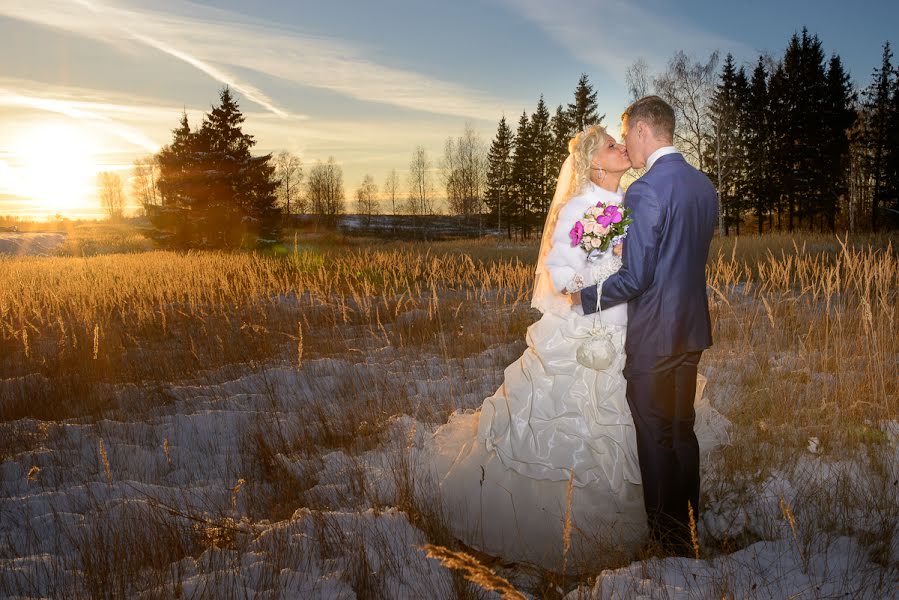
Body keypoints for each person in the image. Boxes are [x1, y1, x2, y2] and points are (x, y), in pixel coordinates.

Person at [423, 122, 728, 572]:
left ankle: (662, 523)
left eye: (622, 141)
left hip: (634, 329)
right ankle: (571, 523)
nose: (622, 148)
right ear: (592, 162)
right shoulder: (579, 209)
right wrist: (602, 281)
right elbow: (562, 275)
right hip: (587, 329)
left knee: (648, 427)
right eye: (611, 145)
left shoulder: (633, 200)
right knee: (578, 421)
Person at [576, 95, 720, 555]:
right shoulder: (704, 186)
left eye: (627, 135)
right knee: (682, 429)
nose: (628, 149)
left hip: (655, 333)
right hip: (691, 329)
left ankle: (669, 541)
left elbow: (637, 277)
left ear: (642, 129)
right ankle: (690, 525)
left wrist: (582, 298)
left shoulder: (645, 189)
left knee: (655, 436)